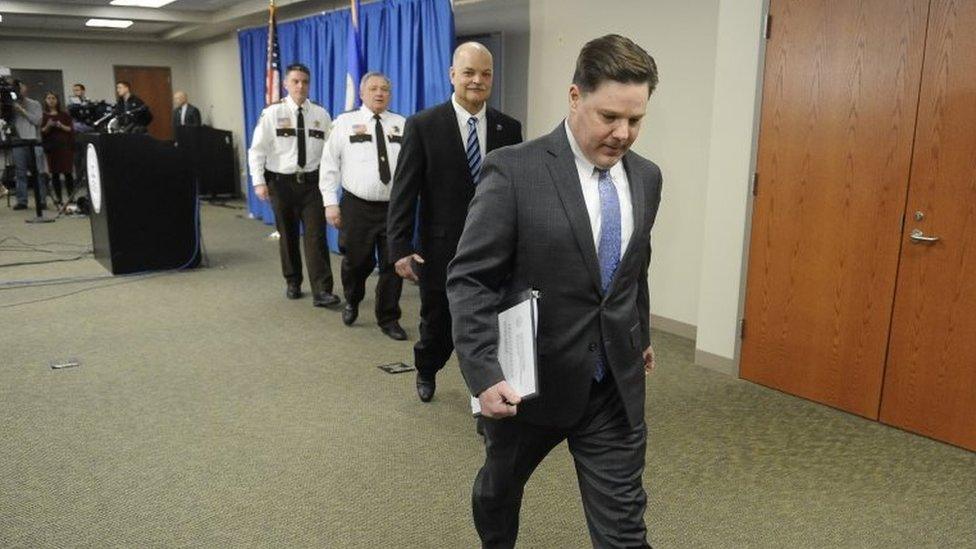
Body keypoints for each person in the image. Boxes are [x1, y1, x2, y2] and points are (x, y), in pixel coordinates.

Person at [446, 34, 662, 547]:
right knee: (499, 492)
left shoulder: (647, 178)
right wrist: (482, 371)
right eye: (609, 116)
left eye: (635, 120)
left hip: (612, 382)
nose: (622, 133)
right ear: (574, 97)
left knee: (624, 528)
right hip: (528, 384)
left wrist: (641, 332)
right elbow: (471, 278)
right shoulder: (515, 170)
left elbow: (635, 267)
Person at [387, 41, 523, 402]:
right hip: (440, 249)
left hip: (496, 249)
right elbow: (404, 191)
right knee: (438, 324)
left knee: (489, 325)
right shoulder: (423, 125)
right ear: (452, 76)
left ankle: (485, 391)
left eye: (485, 73)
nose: (477, 80)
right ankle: (426, 369)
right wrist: (400, 247)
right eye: (469, 72)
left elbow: (518, 192)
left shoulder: (508, 129)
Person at [319, 72, 408, 340]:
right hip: (357, 207)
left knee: (394, 264)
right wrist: (330, 204)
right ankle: (352, 299)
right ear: (361, 93)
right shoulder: (344, 123)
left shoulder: (402, 124)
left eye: (384, 89)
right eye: (373, 89)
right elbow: (329, 165)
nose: (379, 93)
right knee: (357, 264)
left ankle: (388, 317)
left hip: (394, 208)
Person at [248, 63, 341, 308]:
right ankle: (293, 280)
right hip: (281, 184)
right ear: (286, 84)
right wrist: (258, 182)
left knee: (316, 238)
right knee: (287, 236)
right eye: (296, 81)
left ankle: (322, 290)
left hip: (312, 185)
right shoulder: (272, 113)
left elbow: (330, 153)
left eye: (305, 82)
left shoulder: (321, 114)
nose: (300, 86)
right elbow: (257, 150)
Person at [9, 80, 48, 211]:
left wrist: (21, 110)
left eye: (19, 88)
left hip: (33, 141)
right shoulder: (9, 105)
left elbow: (37, 121)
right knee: (20, 173)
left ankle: (42, 200)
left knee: (39, 173)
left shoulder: (34, 104)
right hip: (17, 142)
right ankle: (22, 201)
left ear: (25, 88)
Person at [40, 92, 75, 206]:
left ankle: (71, 197)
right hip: (52, 148)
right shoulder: (43, 116)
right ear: (45, 101)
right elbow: (42, 131)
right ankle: (59, 198)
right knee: (55, 173)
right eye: (49, 98)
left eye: (53, 98)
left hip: (65, 147)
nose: (51, 100)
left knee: (68, 173)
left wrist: (60, 125)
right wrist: (48, 125)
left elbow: (70, 129)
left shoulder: (64, 115)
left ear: (57, 100)